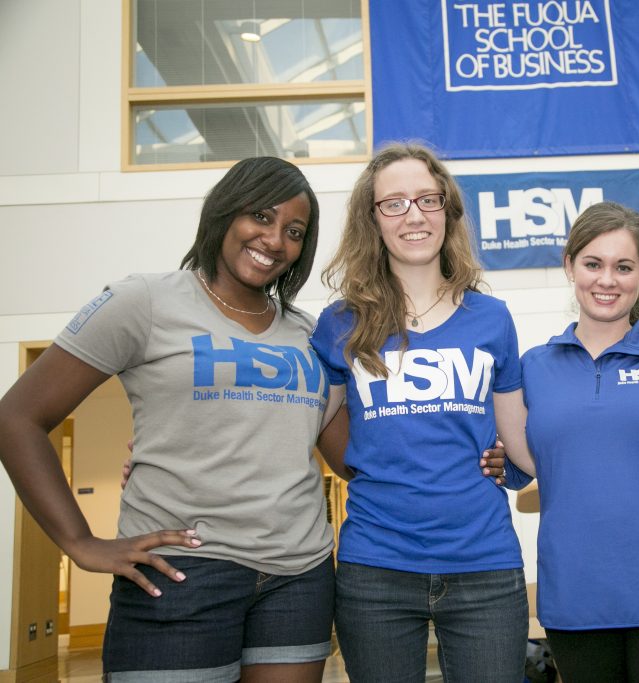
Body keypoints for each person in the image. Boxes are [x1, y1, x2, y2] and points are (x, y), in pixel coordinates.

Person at [0, 157, 338, 682]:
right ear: (225, 213)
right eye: (261, 216)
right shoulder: (145, 301)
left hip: (298, 576)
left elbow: (350, 453)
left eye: (294, 232)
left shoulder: (308, 333)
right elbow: (17, 418)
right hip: (181, 573)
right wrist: (79, 542)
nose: (274, 240)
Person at [310, 142, 529, 682]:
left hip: (484, 566)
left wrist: (521, 468)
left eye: (428, 199)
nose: (414, 215)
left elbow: (519, 442)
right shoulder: (341, 323)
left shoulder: (492, 319)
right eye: (395, 203)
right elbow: (307, 422)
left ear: (448, 210)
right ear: (373, 219)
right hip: (375, 568)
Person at [505, 202, 639, 682]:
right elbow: (519, 468)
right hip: (575, 598)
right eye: (593, 264)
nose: (608, 279)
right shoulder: (533, 368)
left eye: (624, 267)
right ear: (570, 266)